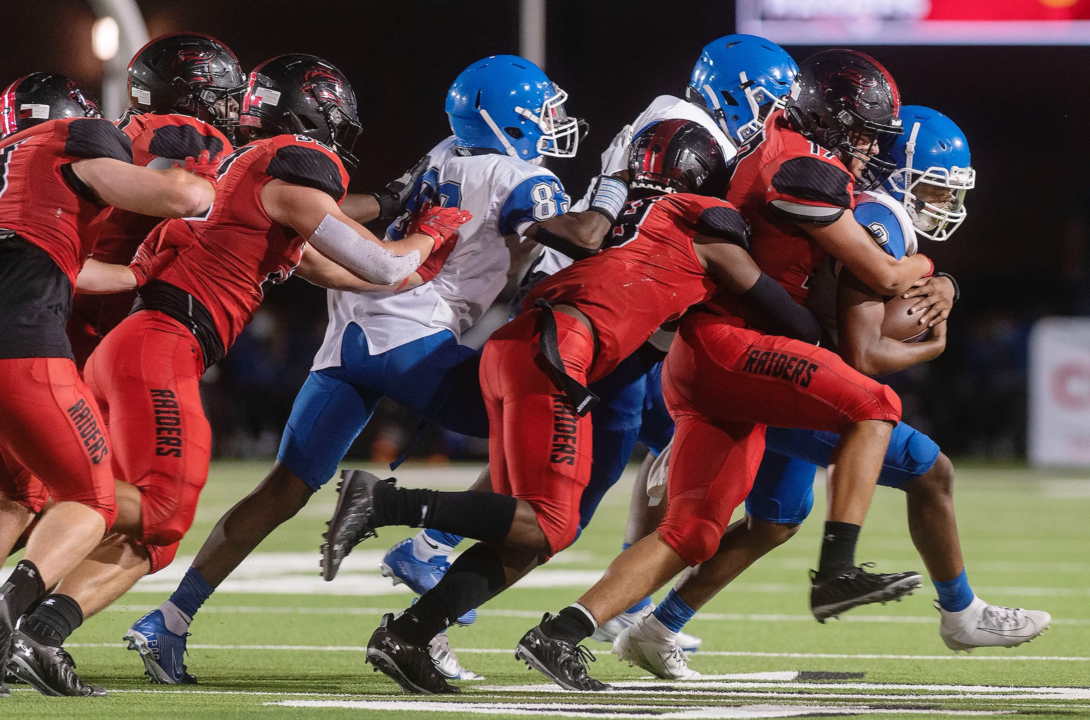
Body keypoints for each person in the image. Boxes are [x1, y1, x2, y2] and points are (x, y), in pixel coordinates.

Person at [124, 53, 606, 685]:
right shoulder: (523, 176)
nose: (551, 121)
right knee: (533, 440)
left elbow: (358, 212)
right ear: (507, 118)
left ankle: (169, 620)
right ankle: (428, 549)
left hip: (352, 331)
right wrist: (618, 201)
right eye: (541, 111)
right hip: (411, 332)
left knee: (283, 487)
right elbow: (579, 238)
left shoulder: (442, 154)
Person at [4, 54, 467, 696]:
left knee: (155, 530)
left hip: (137, 346)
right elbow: (378, 263)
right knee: (153, 506)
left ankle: (42, 622)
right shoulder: (287, 166)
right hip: (160, 346)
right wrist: (429, 234)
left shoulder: (251, 178)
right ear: (315, 116)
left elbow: (350, 270)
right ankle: (33, 623)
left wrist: (419, 263)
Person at [326, 119, 826, 694]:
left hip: (523, 346)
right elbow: (799, 324)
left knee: (527, 536)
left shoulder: (619, 214)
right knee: (552, 523)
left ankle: (410, 634)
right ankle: (385, 501)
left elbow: (616, 282)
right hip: (557, 353)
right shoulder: (705, 227)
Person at [520, 49, 935, 692]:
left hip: (710, 353)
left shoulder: (785, 145)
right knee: (875, 405)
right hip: (730, 344)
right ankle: (837, 569)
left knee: (691, 532)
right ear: (827, 118)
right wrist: (934, 274)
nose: (870, 149)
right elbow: (883, 274)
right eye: (861, 133)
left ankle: (559, 633)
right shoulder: (800, 164)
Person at [383, 33, 799, 656]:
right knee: (567, 498)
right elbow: (654, 236)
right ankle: (433, 552)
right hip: (591, 311)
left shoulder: (689, 125)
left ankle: (605, 596)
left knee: (614, 464)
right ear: (739, 94)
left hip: (607, 312)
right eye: (772, 104)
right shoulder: (693, 136)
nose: (776, 120)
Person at [614, 107, 1050, 680]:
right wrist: (932, 342)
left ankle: (655, 628)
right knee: (932, 471)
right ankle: (960, 612)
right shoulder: (877, 217)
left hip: (768, 363)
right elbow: (862, 354)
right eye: (935, 186)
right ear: (899, 172)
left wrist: (942, 282)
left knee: (774, 521)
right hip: (790, 378)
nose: (946, 202)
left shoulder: (858, 208)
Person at [0, 72, 216, 698]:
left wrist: (136, 273)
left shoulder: (12, 168)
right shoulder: (69, 137)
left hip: (15, 324)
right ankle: (10, 619)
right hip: (20, 344)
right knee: (91, 499)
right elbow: (177, 196)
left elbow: (70, 266)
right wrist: (207, 180)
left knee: (15, 494)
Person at [66, 32, 245, 370]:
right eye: (223, 98)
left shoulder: (125, 129)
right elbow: (208, 203)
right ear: (188, 97)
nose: (234, 110)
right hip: (106, 315)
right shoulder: (187, 134)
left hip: (72, 296)